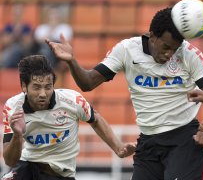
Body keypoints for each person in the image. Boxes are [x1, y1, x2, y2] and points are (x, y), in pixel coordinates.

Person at [46, 7, 203, 179]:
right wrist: (72, 62)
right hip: (148, 142)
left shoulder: (189, 54)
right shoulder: (127, 50)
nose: (169, 54)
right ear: (152, 36)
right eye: (166, 47)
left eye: (174, 49)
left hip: (184, 140)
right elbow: (88, 83)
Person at [1, 55, 136, 180]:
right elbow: (10, 161)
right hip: (28, 168)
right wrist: (17, 135)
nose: (43, 94)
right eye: (36, 87)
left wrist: (118, 148)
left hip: (61, 174)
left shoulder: (72, 100)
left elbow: (96, 120)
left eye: (48, 87)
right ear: (24, 86)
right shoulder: (13, 107)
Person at [0, 4, 39, 68]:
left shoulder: (27, 27)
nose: (17, 16)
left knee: (16, 50)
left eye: (19, 13)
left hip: (23, 53)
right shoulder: (8, 27)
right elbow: (5, 42)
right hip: (9, 51)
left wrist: (14, 36)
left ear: (22, 14)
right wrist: (16, 34)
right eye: (15, 13)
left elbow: (28, 44)